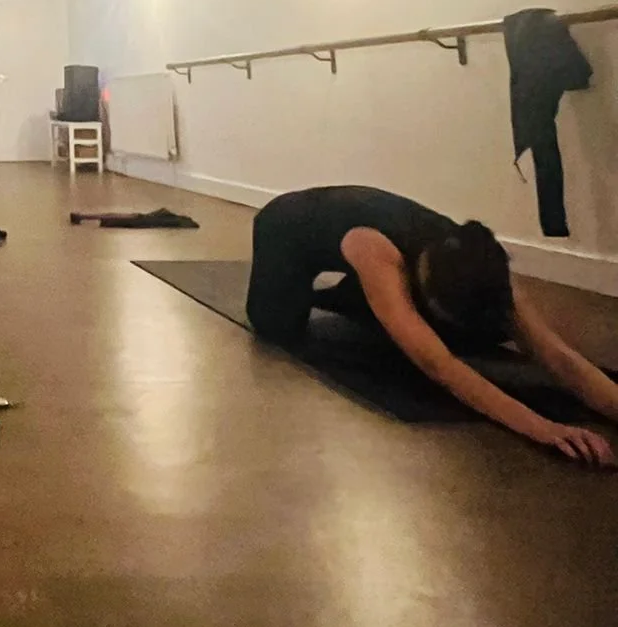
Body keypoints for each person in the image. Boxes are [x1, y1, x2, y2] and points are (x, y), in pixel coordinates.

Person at [246, 186, 618, 465]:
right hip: (287, 227)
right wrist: (544, 428)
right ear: (424, 284)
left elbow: (558, 357)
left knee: (460, 328)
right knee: (275, 325)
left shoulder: (483, 264)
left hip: (383, 256)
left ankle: (354, 297)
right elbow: (437, 363)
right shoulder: (376, 250)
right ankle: (336, 295)